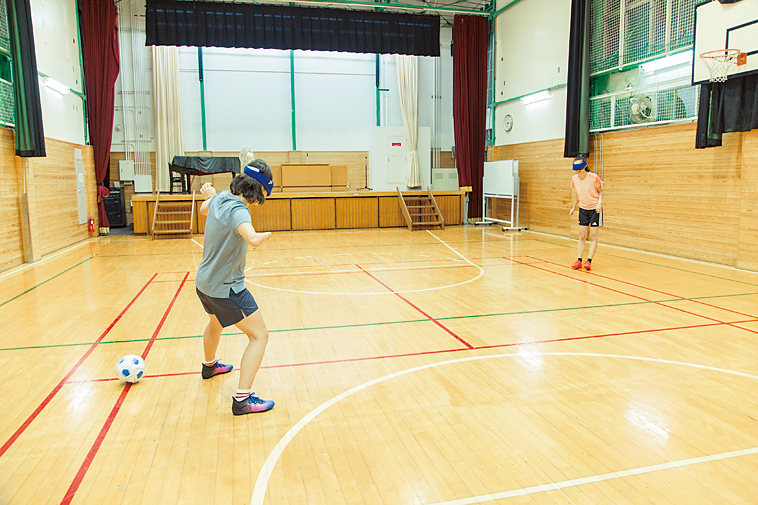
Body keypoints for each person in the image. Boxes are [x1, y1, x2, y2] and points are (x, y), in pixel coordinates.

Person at [195, 159, 276, 415]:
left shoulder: (221, 198)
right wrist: (262, 236)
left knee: (215, 323)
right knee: (259, 336)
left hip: (204, 283)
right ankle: (243, 399)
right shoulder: (240, 210)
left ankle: (210, 366)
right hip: (227, 289)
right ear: (258, 190)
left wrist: (210, 195)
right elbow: (250, 237)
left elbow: (204, 209)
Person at [568, 154, 604, 271]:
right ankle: (579, 260)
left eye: (579, 166)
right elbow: (578, 194)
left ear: (585, 166)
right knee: (582, 236)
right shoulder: (575, 179)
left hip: (594, 210)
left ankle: (589, 261)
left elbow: (601, 191)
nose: (577, 169)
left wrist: (599, 204)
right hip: (583, 209)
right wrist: (574, 207)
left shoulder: (593, 177)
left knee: (593, 237)